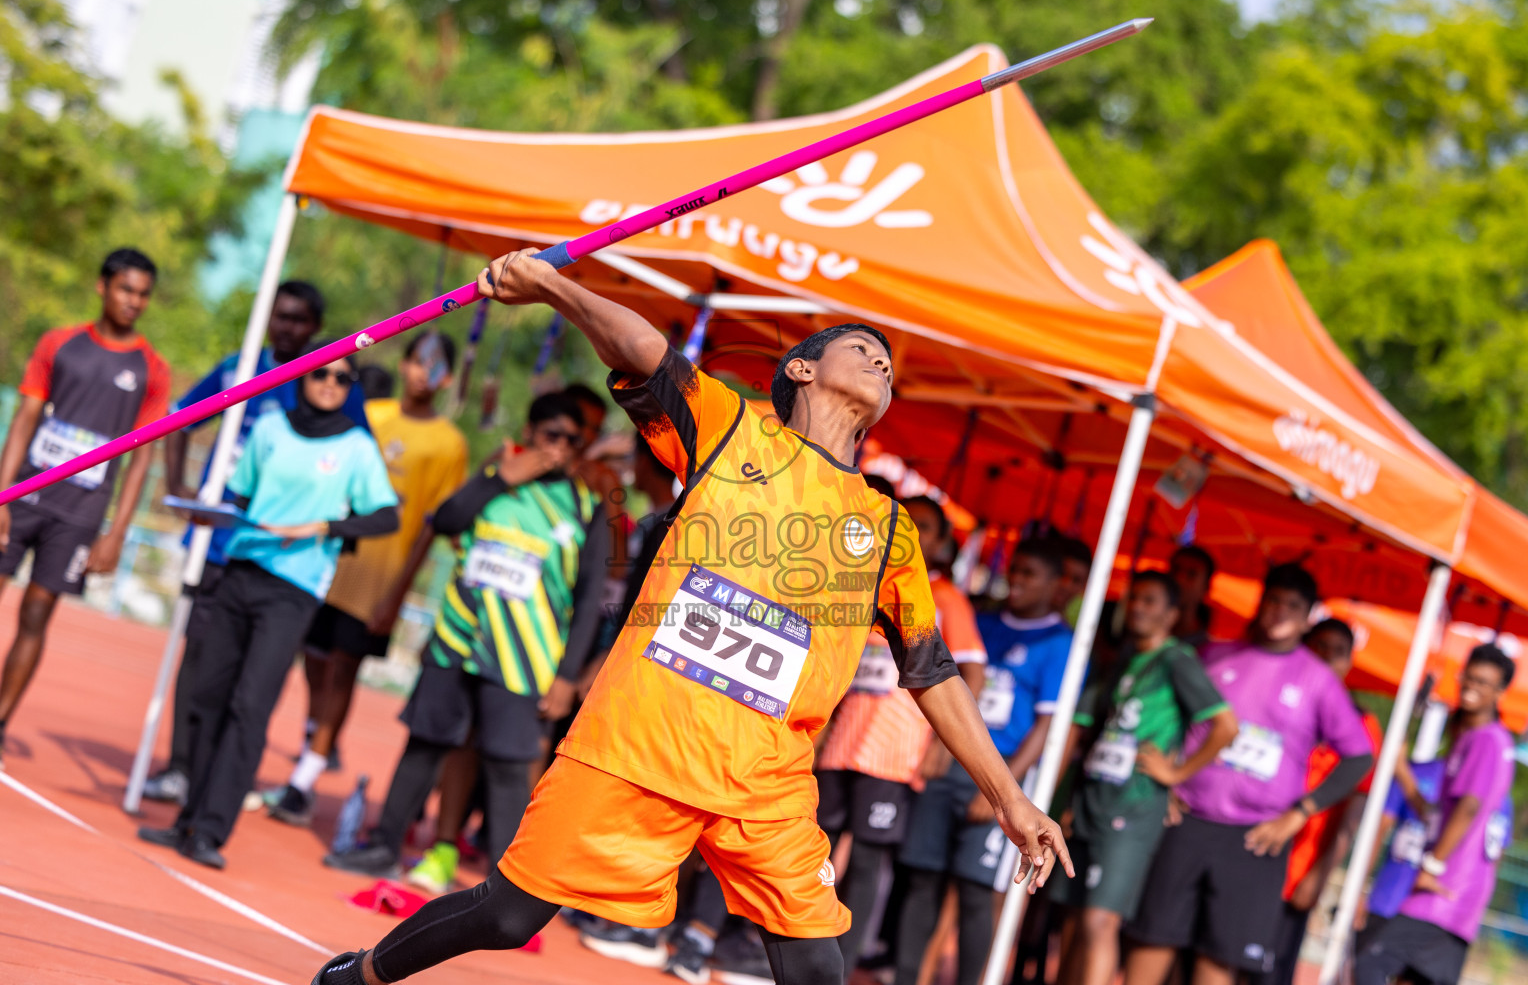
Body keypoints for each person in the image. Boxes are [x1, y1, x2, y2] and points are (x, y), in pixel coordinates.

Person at [308, 247, 1070, 985]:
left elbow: (931, 674)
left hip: (764, 780)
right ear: (800, 367)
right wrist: (552, 288)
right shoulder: (730, 429)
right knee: (510, 915)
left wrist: (1012, 798)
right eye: (863, 348)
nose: (882, 363)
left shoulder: (889, 529)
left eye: (888, 366)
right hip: (639, 745)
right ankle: (363, 975)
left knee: (814, 964)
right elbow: (646, 350)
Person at [322, 391, 607, 880]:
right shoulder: (497, 482)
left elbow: (589, 601)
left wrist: (566, 676)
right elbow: (447, 521)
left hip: (523, 658)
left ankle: (506, 885)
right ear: (529, 434)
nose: (558, 447)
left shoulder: (586, 508)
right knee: (425, 743)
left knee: (507, 766)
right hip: (457, 639)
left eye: (571, 441)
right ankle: (384, 845)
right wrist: (499, 477)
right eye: (550, 435)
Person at [137, 349, 399, 868]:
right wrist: (209, 514)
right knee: (207, 696)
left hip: (293, 590)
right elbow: (240, 496)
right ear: (305, 376)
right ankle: (187, 819)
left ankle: (211, 831)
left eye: (342, 377)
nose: (329, 382)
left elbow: (385, 516)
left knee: (249, 706)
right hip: (240, 571)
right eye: (321, 372)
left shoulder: (356, 448)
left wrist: (321, 528)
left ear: (352, 387)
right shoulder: (271, 428)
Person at [144, 280, 366, 803]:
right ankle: (181, 767)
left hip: (281, 559)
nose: (286, 327)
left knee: (251, 678)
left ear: (313, 327)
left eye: (297, 319)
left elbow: (356, 465)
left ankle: (218, 780)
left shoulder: (326, 382)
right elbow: (178, 421)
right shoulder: (238, 368)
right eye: (279, 316)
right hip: (219, 543)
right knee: (201, 659)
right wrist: (180, 488)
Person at [1124, 564, 1374, 985]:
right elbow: (1172, 717)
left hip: (1256, 839)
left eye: (1292, 606)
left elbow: (1358, 758)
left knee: (1219, 959)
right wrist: (1171, 779)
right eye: (1273, 600)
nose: (1279, 612)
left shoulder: (1317, 680)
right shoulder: (1214, 655)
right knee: (1152, 940)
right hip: (1187, 821)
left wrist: (1301, 812)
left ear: (1308, 614)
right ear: (1260, 603)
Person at [268, 332, 470, 826]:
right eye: (419, 361)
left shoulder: (450, 444)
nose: (426, 372)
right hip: (329, 561)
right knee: (313, 661)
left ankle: (306, 776)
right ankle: (319, 737)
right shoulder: (370, 416)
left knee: (343, 668)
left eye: (437, 364)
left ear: (447, 377)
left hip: (380, 576)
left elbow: (431, 526)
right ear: (402, 365)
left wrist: (399, 592)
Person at [0, 248, 170, 769]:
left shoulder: (152, 370)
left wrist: (117, 532)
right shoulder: (60, 344)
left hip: (79, 515)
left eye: (142, 294)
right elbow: (25, 418)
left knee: (37, 615)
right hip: (24, 498)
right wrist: (0, 496)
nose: (133, 301)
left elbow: (141, 457)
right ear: (102, 286)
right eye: (125, 289)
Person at [814, 494, 987, 978]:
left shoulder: (947, 599)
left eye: (926, 526)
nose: (913, 532)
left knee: (866, 862)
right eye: (905, 521)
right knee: (813, 848)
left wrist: (940, 743)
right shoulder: (863, 581)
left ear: (941, 542)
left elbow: (972, 674)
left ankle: (837, 970)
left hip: (894, 755)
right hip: (843, 743)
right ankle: (791, 951)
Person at [893, 537, 1073, 985]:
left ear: (1055, 584)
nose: (1018, 580)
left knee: (976, 892)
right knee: (922, 879)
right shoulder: (982, 622)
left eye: (1031, 573)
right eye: (1017, 569)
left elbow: (1048, 727)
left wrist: (1002, 788)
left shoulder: (1061, 642)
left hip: (999, 775)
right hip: (951, 762)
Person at [1053, 571, 1238, 985]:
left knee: (1100, 921)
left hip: (1132, 808)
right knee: (1074, 919)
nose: (1137, 607)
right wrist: (1069, 800)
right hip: (1091, 801)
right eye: (1133, 598)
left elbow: (1225, 725)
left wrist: (1176, 774)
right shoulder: (1120, 661)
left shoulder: (1176, 661)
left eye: (1150, 601)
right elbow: (1085, 731)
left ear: (1173, 614)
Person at [1354, 645, 1517, 985]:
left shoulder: (1487, 740)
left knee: (1370, 962)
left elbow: (1470, 808)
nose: (1472, 686)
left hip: (1443, 893)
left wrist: (1432, 867)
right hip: (1456, 899)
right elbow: (1438, 816)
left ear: (1500, 692)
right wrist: (1401, 770)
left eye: (1484, 682)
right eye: (1470, 677)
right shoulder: (1472, 742)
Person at [1253, 619, 1383, 985]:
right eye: (1318, 647)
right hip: (1248, 854)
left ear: (1349, 663)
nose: (1325, 658)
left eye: (1337, 652)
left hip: (1297, 872)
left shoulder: (1361, 725)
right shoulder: (1272, 696)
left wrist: (1321, 874)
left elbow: (1353, 817)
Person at [1167, 545, 1215, 651]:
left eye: (1191, 574)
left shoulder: (1204, 651)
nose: (1179, 580)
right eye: (1175, 570)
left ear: (1206, 588)